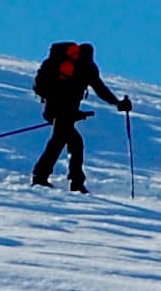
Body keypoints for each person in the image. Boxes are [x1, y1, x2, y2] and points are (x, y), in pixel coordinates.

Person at [30, 41, 128, 192]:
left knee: (70, 142)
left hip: (55, 109)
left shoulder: (74, 65)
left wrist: (74, 113)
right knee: (66, 142)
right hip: (62, 110)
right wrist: (117, 103)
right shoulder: (86, 67)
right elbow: (100, 89)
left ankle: (55, 178)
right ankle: (55, 180)